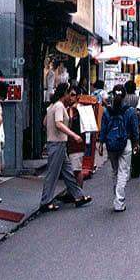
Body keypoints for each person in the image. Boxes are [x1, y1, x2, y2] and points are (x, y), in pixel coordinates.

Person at [39, 83, 92, 212]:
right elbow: (58, 124)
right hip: (57, 143)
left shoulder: (53, 105)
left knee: (68, 172)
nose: (70, 97)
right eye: (70, 94)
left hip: (58, 143)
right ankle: (45, 202)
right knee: (53, 174)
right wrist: (73, 135)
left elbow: (45, 122)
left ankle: (78, 196)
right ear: (65, 93)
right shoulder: (59, 106)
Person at [98, 84, 139, 212]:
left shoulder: (107, 111)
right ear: (125, 96)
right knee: (123, 172)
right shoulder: (130, 111)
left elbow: (103, 128)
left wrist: (101, 143)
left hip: (111, 145)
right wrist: (136, 143)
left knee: (115, 171)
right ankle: (119, 201)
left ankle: (116, 196)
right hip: (126, 143)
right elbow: (134, 129)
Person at [66, 92, 85, 190]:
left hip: (77, 142)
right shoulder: (71, 109)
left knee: (76, 170)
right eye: (69, 95)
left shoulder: (78, 109)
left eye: (73, 95)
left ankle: (79, 192)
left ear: (78, 96)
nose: (70, 97)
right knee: (74, 169)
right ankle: (75, 192)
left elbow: (70, 123)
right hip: (71, 143)